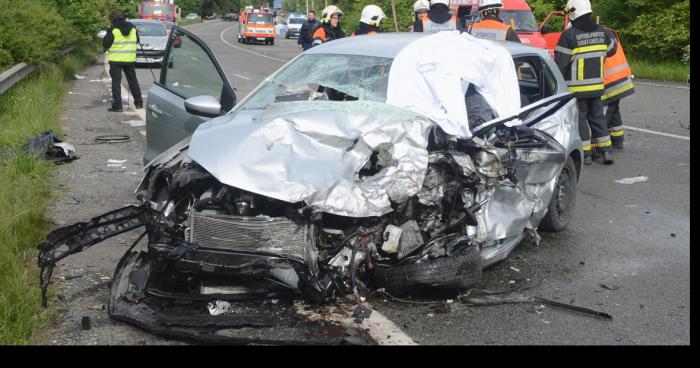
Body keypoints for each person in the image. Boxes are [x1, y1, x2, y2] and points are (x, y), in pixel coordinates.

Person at [554, 0, 617, 165]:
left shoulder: (569, 35)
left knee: (580, 120)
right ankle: (606, 152)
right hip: (597, 87)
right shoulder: (603, 32)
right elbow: (612, 50)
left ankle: (586, 154)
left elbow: (561, 63)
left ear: (574, 13)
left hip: (577, 90)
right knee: (597, 118)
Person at [601, 27, 635, 149]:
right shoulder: (607, 32)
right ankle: (617, 139)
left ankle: (601, 145)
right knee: (614, 109)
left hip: (609, 83)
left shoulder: (597, 35)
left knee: (602, 116)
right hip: (621, 79)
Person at [103, 10, 143, 112]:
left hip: (116, 60)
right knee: (133, 81)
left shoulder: (113, 29)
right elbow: (137, 40)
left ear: (111, 19)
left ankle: (118, 106)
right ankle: (138, 103)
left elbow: (106, 44)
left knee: (116, 82)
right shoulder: (132, 27)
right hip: (129, 59)